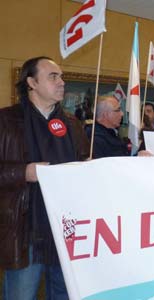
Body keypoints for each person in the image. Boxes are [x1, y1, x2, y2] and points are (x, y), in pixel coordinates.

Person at [0, 56, 90, 299]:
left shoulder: (72, 123)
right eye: (53, 77)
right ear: (32, 82)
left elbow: (83, 164)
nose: (61, 82)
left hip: (67, 229)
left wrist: (89, 169)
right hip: (25, 229)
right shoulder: (6, 120)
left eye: (61, 77)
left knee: (65, 294)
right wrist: (24, 172)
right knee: (21, 294)